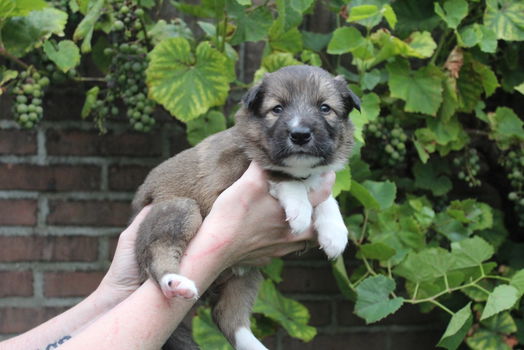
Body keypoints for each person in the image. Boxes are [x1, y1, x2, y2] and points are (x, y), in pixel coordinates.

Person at [1, 162, 335, 350]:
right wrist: (217, 248)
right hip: (177, 234)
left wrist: (114, 295)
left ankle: (238, 330)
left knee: (246, 274)